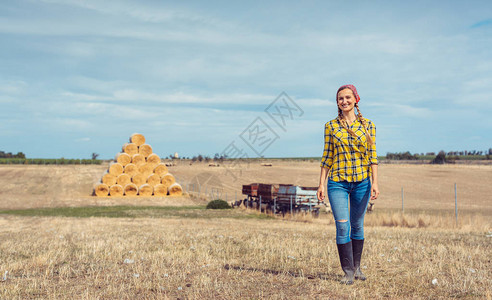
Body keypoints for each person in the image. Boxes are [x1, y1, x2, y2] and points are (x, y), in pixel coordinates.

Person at [317, 84, 379, 285]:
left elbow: (373, 157)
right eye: (340, 99)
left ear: (356, 99)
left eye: (347, 97)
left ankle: (357, 267)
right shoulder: (331, 126)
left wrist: (375, 182)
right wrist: (321, 184)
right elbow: (327, 157)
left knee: (357, 225)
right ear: (337, 103)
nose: (344, 101)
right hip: (338, 183)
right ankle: (348, 272)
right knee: (343, 226)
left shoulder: (369, 125)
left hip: (362, 182)